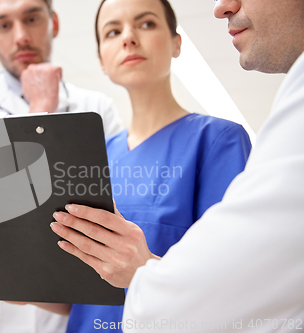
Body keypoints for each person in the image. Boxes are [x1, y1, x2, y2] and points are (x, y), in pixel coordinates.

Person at [51, 0, 304, 331]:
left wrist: (141, 268)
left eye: (146, 24)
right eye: (113, 32)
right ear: (101, 59)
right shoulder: (92, 156)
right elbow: (84, 296)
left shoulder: (217, 140)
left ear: (176, 43)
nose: (128, 38)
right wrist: (24, 291)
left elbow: (231, 284)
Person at [0, 1, 124, 332]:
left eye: (32, 18)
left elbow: (110, 217)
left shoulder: (97, 110)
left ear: (53, 22)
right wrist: (41, 110)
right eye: (4, 25)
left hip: (59, 316)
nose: (21, 36)